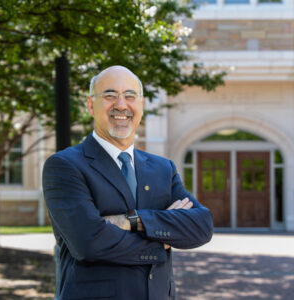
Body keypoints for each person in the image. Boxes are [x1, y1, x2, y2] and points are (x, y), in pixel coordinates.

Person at [42, 65, 213, 300]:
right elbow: (88, 243)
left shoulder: (163, 169)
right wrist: (161, 241)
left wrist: (132, 221)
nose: (121, 105)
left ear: (141, 105)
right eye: (110, 95)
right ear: (91, 105)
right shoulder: (65, 166)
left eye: (130, 96)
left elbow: (201, 226)